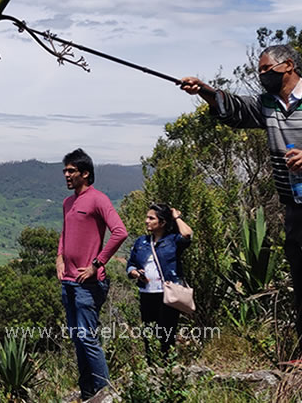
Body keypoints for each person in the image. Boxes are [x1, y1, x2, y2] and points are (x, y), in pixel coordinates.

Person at [180, 44, 302, 335]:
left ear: (287, 65)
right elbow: (235, 109)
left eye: (265, 69)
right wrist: (204, 90)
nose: (261, 75)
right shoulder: (269, 105)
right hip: (294, 206)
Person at [56, 148, 128, 400]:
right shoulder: (68, 202)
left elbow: (120, 231)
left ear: (85, 174)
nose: (66, 174)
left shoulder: (99, 199)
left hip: (88, 283)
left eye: (71, 171)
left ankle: (106, 394)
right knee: (77, 339)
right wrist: (59, 258)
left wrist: (97, 264)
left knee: (87, 338)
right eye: (65, 170)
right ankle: (88, 394)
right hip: (68, 281)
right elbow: (65, 233)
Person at [126, 203, 193, 359]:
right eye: (147, 217)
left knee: (166, 333)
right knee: (149, 333)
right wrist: (135, 273)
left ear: (162, 222)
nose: (146, 221)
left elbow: (187, 234)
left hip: (167, 293)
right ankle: (151, 368)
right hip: (147, 293)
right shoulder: (141, 242)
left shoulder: (173, 241)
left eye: (151, 218)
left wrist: (175, 216)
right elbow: (131, 264)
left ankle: (168, 369)